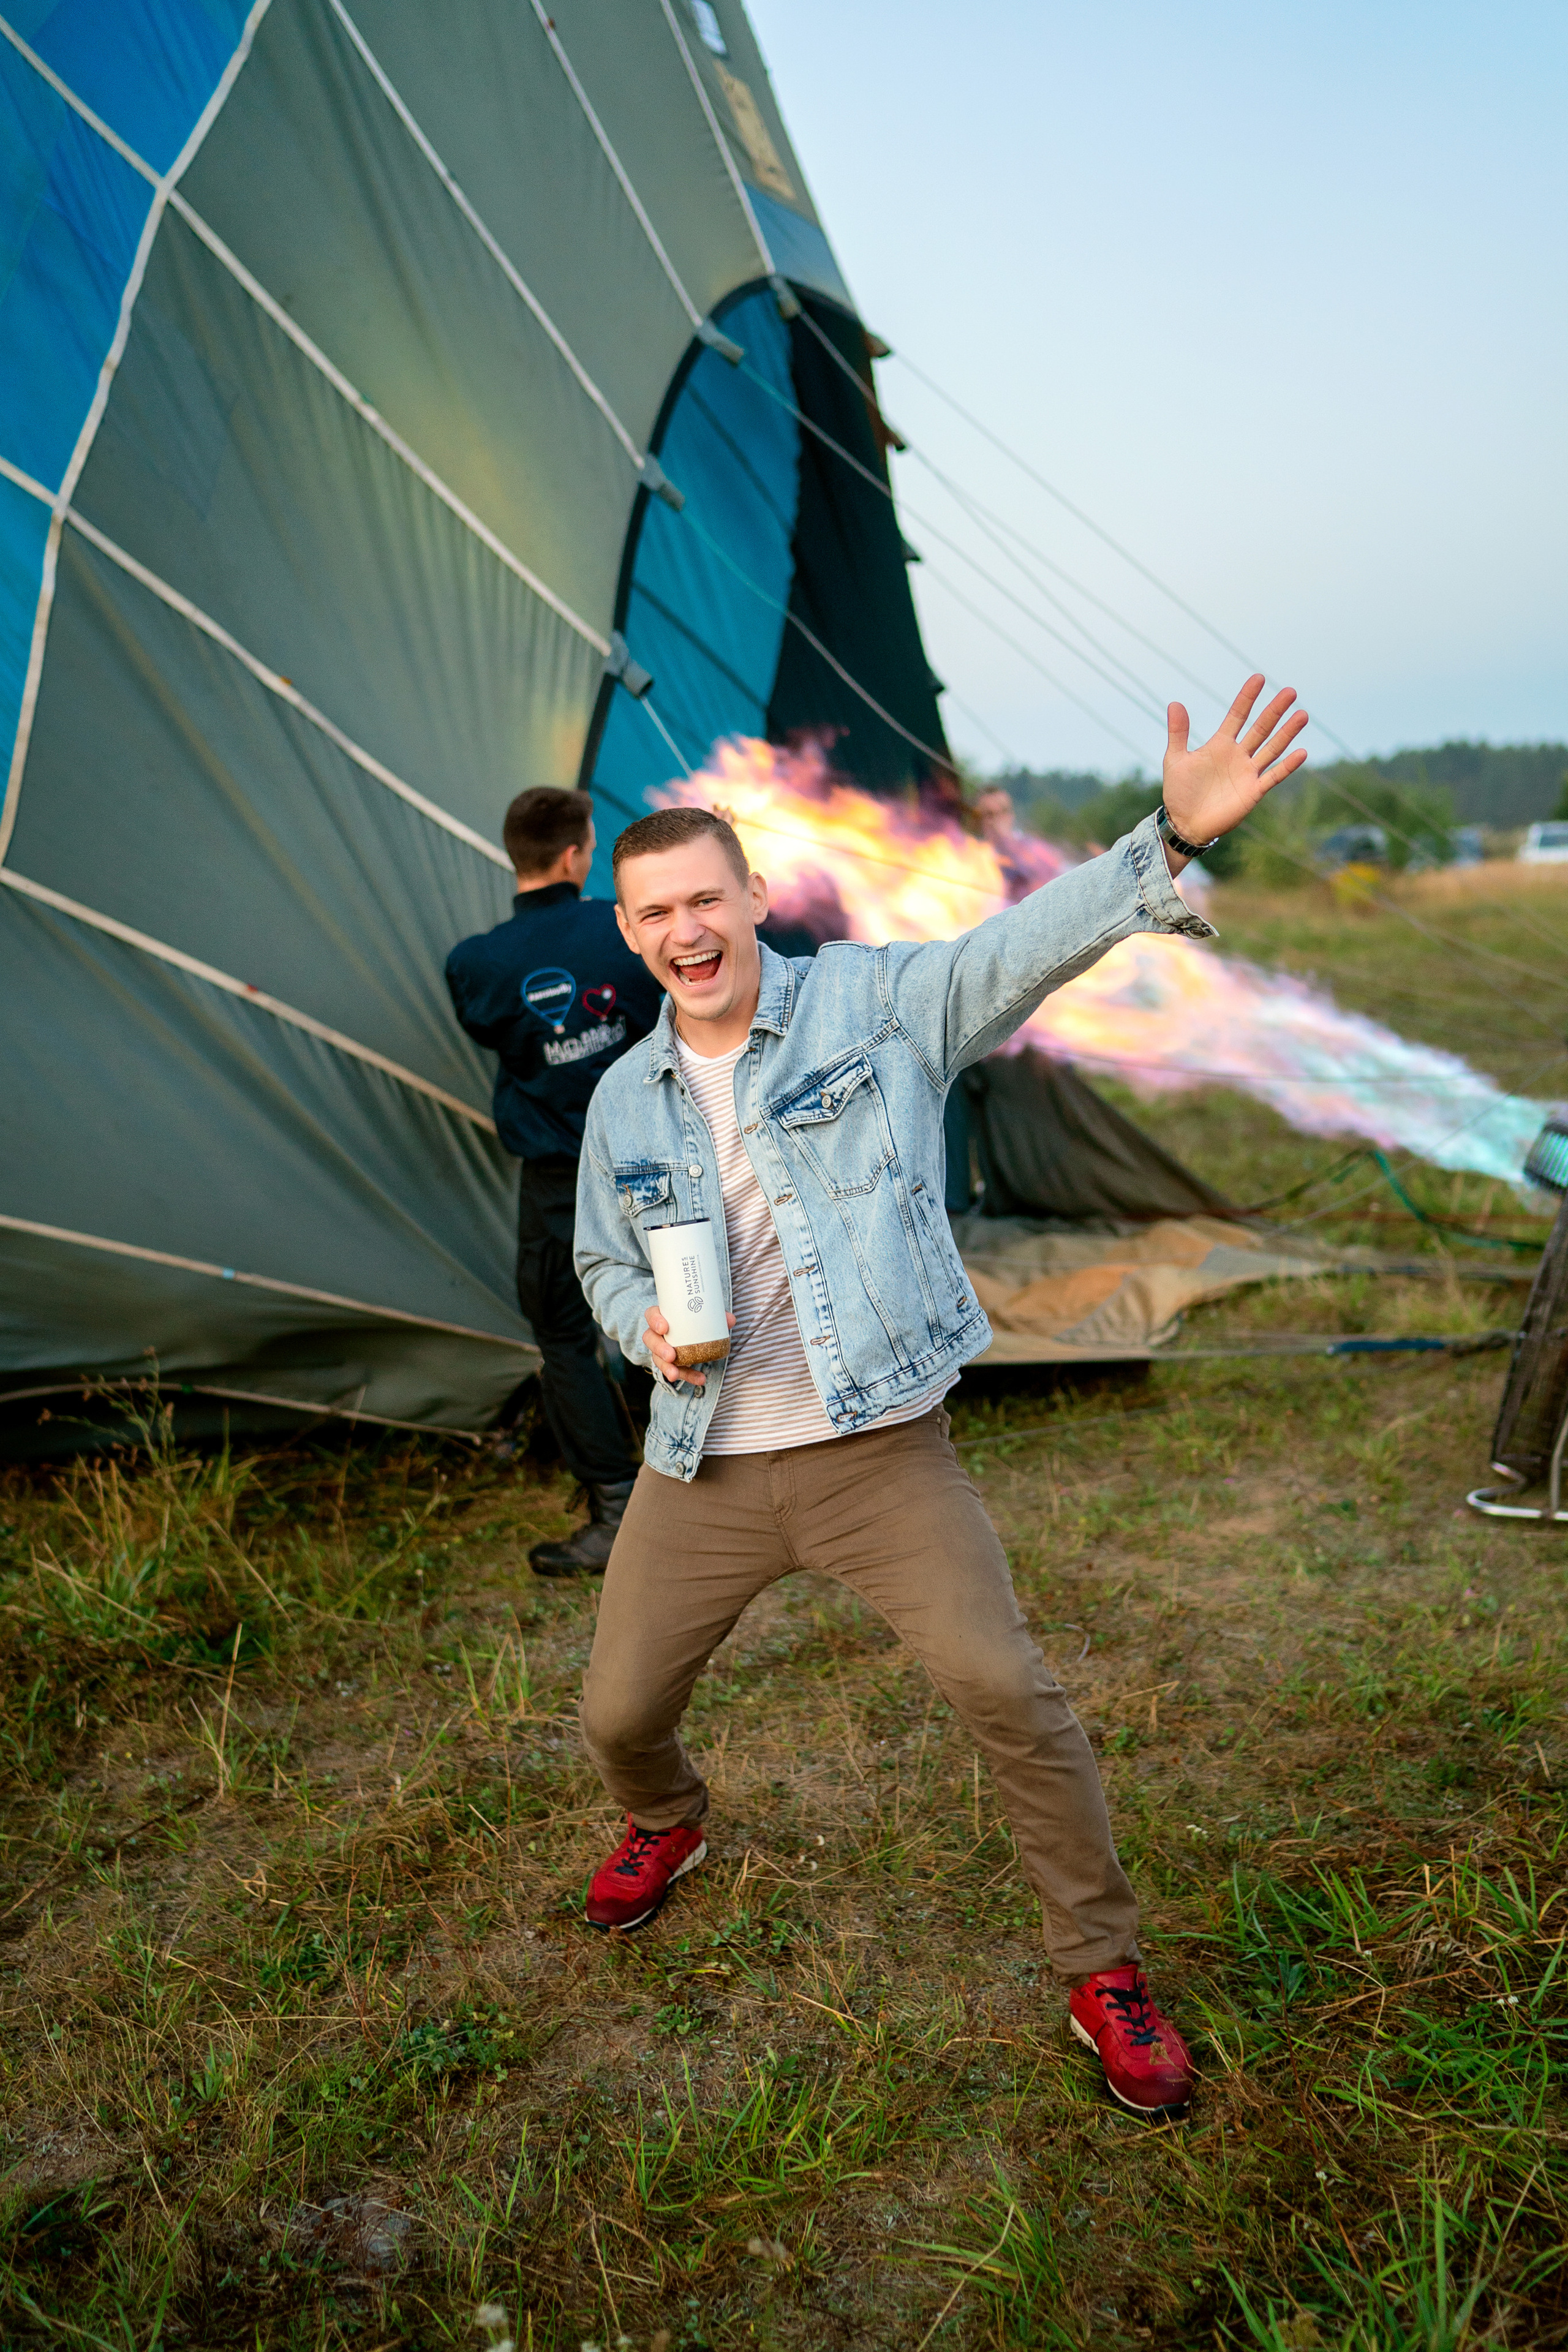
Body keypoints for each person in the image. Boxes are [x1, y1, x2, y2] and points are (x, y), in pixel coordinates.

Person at [571, 679, 1307, 2117]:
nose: (686, 931)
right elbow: (599, 1257)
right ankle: (667, 1820)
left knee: (999, 1686)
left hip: (874, 1449)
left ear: (748, 893)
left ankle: (1100, 1967)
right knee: (613, 1712)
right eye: (654, 912)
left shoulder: (871, 1002)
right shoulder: (620, 1101)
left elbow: (1017, 948)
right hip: (701, 1460)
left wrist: (1164, 835)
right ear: (628, 930)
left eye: (705, 899)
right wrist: (638, 1324)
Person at [445, 788, 663, 1576]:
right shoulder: (626, 929)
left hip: (557, 1180)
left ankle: (616, 1509)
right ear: (579, 851)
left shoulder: (476, 964)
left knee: (566, 1336)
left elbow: (489, 1031)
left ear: (515, 855)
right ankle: (719, 1477)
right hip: (660, 1158)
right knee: (687, 1307)